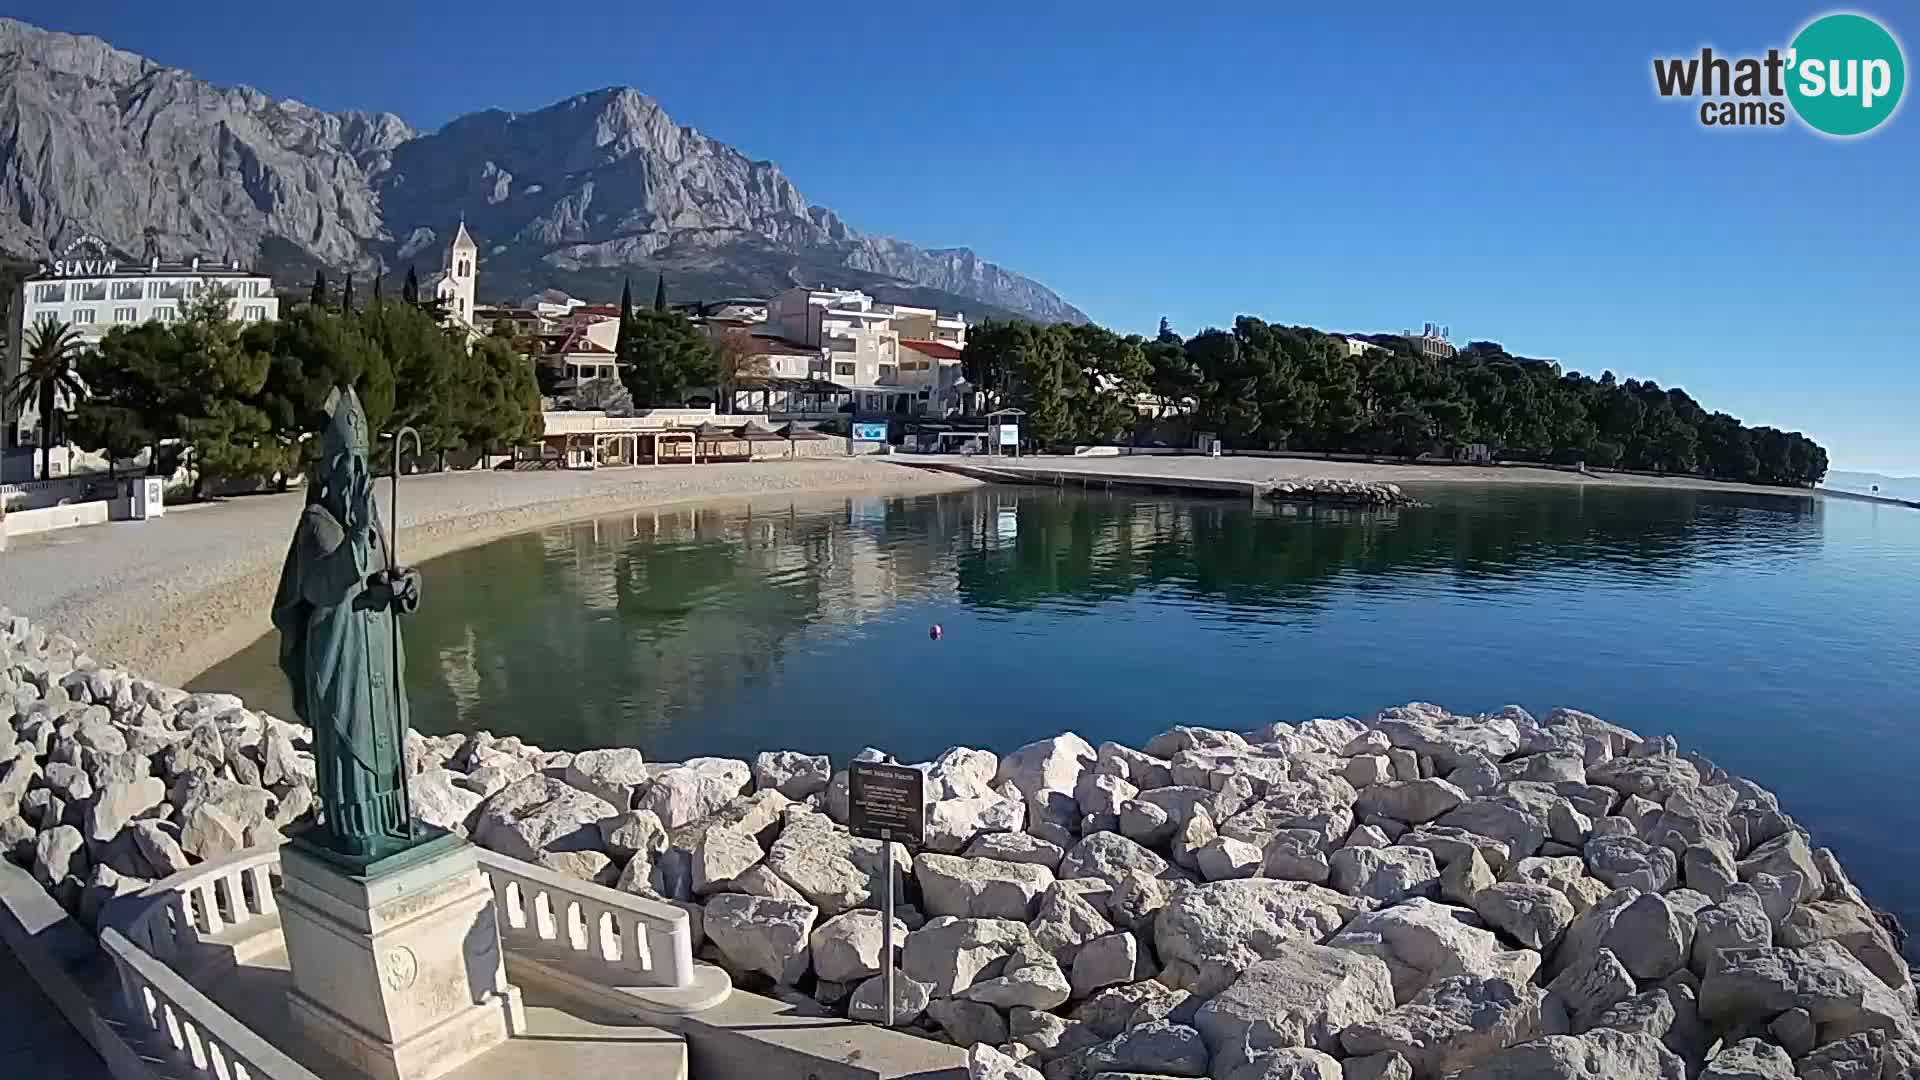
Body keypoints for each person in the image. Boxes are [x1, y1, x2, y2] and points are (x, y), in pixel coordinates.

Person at [271, 386, 423, 860]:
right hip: (343, 656)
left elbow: (383, 572)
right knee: (349, 735)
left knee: (387, 731)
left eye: (363, 468)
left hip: (376, 642)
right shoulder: (318, 521)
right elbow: (326, 585)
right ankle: (354, 822)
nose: (359, 479)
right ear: (331, 470)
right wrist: (358, 529)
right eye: (349, 468)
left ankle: (393, 815)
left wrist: (406, 587)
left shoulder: (370, 521)